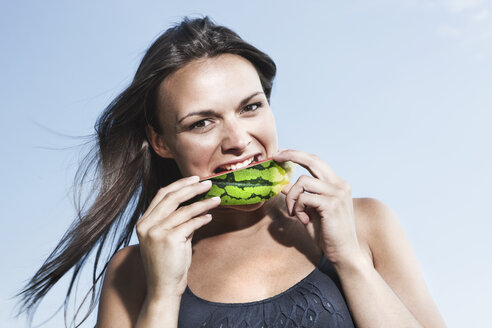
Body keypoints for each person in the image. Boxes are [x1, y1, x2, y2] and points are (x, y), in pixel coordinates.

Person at [18, 16, 447, 327]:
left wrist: (350, 260)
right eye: (201, 122)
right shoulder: (132, 272)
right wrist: (165, 295)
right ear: (162, 141)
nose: (238, 139)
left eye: (251, 107)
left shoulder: (365, 223)